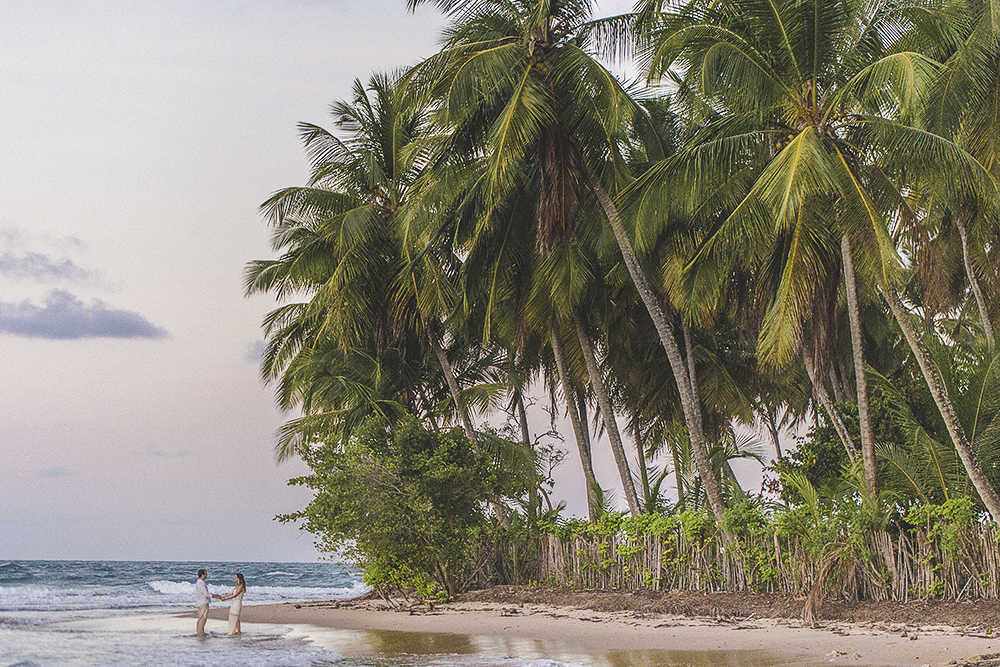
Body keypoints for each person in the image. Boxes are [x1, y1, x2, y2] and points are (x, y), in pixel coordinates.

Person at [194, 568, 223, 637]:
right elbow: (206, 594)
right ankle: (200, 633)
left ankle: (200, 632)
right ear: (202, 575)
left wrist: (214, 595)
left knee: (201, 618)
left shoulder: (199, 583)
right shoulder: (201, 583)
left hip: (201, 602)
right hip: (203, 602)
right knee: (202, 618)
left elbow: (206, 593)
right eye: (205, 574)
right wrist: (214, 596)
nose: (207, 575)